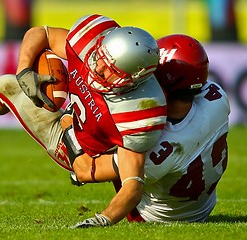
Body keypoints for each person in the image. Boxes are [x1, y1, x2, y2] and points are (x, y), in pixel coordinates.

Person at [0, 14, 167, 227]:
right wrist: (24, 70)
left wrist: (102, 219)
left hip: (84, 152)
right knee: (8, 84)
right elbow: (42, 33)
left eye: (109, 70)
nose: (97, 67)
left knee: (85, 169)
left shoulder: (137, 111)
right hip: (75, 116)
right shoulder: (89, 42)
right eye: (99, 57)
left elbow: (133, 184)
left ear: (132, 81)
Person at [70, 34, 230, 227]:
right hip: (203, 204)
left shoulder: (158, 149)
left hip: (156, 216)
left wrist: (68, 121)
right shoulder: (216, 96)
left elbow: (85, 169)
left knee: (112, 128)